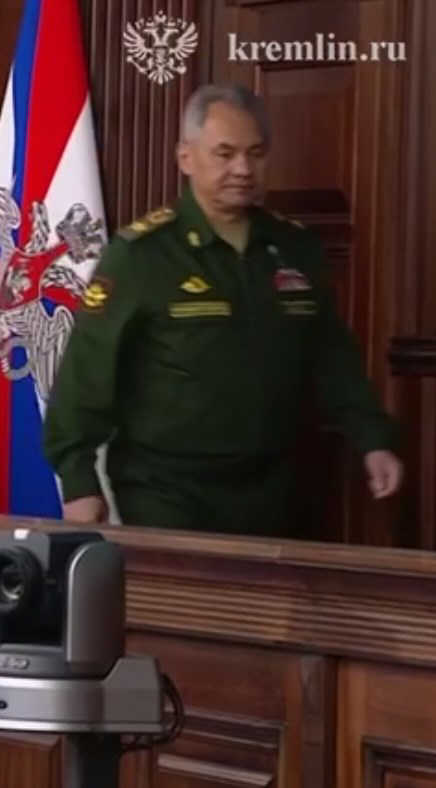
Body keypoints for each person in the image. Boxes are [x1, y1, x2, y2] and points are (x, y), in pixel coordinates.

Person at [43, 83, 403, 536]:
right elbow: (86, 373)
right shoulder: (141, 255)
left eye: (256, 154)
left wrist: (373, 440)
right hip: (167, 489)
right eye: (225, 153)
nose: (243, 169)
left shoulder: (294, 247)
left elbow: (332, 358)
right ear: (185, 157)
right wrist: (78, 482)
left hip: (277, 486)